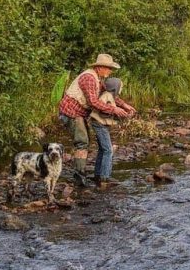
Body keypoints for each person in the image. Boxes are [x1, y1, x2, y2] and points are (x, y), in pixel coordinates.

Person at [58, 54, 136, 185]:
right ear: (100, 67)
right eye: (109, 68)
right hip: (71, 113)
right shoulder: (88, 78)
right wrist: (114, 110)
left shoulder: (98, 78)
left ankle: (90, 175)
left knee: (84, 142)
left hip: (79, 114)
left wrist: (123, 105)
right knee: (82, 143)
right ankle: (79, 176)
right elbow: (93, 102)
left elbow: (109, 94)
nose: (110, 71)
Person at [88, 77, 126, 185]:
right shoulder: (107, 96)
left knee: (102, 149)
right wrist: (114, 111)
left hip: (100, 123)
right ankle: (105, 177)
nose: (121, 89)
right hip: (99, 124)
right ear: (115, 88)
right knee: (108, 150)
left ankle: (98, 175)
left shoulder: (111, 96)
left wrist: (123, 113)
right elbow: (102, 108)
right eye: (120, 87)